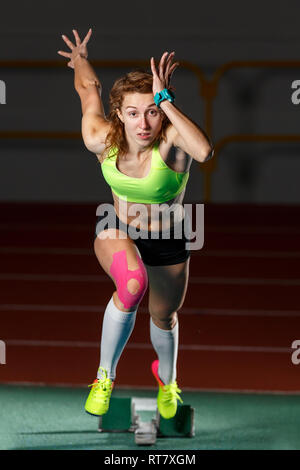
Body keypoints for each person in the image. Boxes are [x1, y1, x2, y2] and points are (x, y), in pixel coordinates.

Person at [58, 28, 213, 420]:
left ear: (162, 111)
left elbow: (205, 151)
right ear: (119, 115)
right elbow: (88, 90)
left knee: (164, 316)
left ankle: (168, 379)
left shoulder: (173, 141)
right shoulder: (101, 139)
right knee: (131, 284)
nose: (143, 122)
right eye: (132, 112)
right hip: (119, 231)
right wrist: (79, 59)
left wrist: (168, 102)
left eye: (152, 111)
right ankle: (104, 376)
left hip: (169, 239)